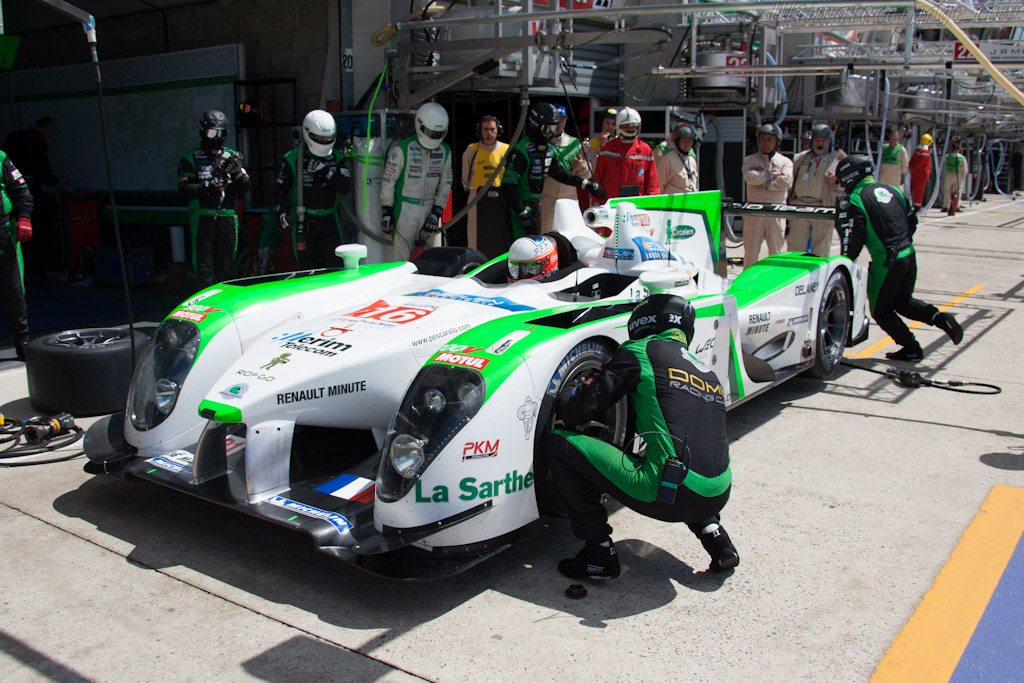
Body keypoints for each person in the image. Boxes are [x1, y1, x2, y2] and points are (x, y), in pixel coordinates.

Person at [541, 294, 738, 580]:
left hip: (668, 494)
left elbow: (575, 412)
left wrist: (578, 389)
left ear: (643, 321)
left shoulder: (639, 351)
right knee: (688, 456)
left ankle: (598, 553)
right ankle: (718, 541)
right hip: (719, 493)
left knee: (558, 443)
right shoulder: (707, 372)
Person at [837, 154, 964, 362]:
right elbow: (912, 221)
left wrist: (844, 263)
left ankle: (911, 347)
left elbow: (854, 240)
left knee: (881, 311)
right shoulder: (892, 189)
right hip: (908, 254)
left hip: (886, 261)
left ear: (850, 176)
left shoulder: (857, 198)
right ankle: (940, 318)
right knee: (904, 302)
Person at [501, 102, 606, 239]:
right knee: (522, 249)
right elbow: (508, 186)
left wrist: (587, 184)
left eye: (555, 127)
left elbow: (560, 173)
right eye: (548, 128)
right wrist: (522, 212)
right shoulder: (521, 151)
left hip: (536, 207)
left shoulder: (548, 149)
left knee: (539, 246)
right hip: (519, 212)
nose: (552, 132)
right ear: (536, 126)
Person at [178, 109, 250, 288]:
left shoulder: (231, 156)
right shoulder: (191, 158)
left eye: (221, 133)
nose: (216, 138)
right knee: (203, 267)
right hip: (203, 218)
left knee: (226, 268)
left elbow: (246, 187)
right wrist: (207, 186)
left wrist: (235, 173)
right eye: (212, 132)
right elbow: (184, 189)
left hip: (227, 219)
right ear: (203, 131)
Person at [273, 109, 352, 269]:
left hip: (329, 219)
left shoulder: (337, 158)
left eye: (328, 139)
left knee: (334, 267)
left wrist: (326, 172)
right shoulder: (293, 158)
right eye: (320, 139)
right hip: (304, 220)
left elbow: (346, 187)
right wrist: (282, 212)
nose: (324, 142)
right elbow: (279, 188)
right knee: (307, 269)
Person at [380, 102, 454, 261]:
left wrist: (437, 211)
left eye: (438, 133)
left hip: (430, 207)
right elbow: (388, 181)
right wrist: (387, 210)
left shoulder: (445, 151)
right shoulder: (402, 149)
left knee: (434, 259)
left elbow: (446, 183)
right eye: (430, 132)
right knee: (402, 261)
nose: (434, 137)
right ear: (419, 125)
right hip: (405, 208)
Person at [787, 123, 846, 257]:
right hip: (800, 205)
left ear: (829, 141)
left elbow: (849, 183)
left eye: (823, 141)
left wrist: (837, 180)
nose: (820, 144)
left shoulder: (839, 158)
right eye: (817, 140)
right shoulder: (800, 158)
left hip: (823, 206)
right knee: (795, 247)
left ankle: (819, 276)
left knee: (821, 248)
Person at [741, 123, 794, 268]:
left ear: (777, 141)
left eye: (769, 139)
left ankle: (775, 281)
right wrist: (772, 175)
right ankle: (748, 282)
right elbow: (750, 178)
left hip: (776, 209)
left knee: (776, 250)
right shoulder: (750, 160)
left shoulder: (785, 162)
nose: (765, 143)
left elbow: (787, 181)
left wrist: (765, 182)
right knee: (751, 250)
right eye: (762, 139)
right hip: (755, 209)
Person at [0, 149, 34, 361]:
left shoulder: (1, 158)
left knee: (13, 291)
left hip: (4, 234)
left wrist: (24, 217)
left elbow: (22, 189)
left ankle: (22, 343)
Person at [461, 115, 510, 257]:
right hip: (477, 196)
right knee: (474, 237)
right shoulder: (472, 150)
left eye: (492, 129)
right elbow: (464, 178)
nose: (489, 133)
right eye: (485, 129)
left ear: (498, 130)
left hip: (500, 198)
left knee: (500, 236)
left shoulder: (506, 149)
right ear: (480, 131)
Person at [540, 104, 587, 233]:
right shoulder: (541, 141)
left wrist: (581, 167)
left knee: (571, 231)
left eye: (562, 119)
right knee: (546, 231)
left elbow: (588, 174)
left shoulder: (574, 143)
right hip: (547, 196)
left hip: (569, 196)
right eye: (557, 119)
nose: (559, 123)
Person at [594, 107, 659, 200]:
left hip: (637, 205)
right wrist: (596, 201)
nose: (630, 129)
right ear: (618, 126)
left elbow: (652, 184)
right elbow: (598, 178)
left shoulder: (645, 150)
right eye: (626, 126)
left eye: (633, 126)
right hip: (611, 204)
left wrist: (652, 205)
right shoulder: (606, 149)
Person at [2, 116, 67, 197]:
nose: (51, 135)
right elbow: (41, 166)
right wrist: (54, 180)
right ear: (43, 128)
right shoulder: (38, 142)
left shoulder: (15, 136)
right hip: (29, 184)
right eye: (51, 132)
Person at [656, 123, 699, 195]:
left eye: (690, 141)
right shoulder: (667, 159)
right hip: (672, 204)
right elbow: (659, 187)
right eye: (684, 140)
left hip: (690, 203)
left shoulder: (691, 159)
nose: (687, 144)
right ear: (678, 140)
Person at [908, 133, 933, 210]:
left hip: (916, 174)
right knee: (920, 190)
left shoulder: (917, 149)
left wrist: (911, 169)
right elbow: (921, 163)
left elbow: (912, 161)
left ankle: (916, 204)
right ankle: (917, 206)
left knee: (916, 189)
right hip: (921, 174)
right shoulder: (925, 151)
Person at [942, 142, 968, 214]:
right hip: (957, 175)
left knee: (947, 191)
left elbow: (944, 164)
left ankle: (945, 206)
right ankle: (956, 206)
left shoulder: (947, 156)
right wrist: (963, 177)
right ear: (959, 149)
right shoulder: (961, 158)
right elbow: (965, 169)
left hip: (948, 175)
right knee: (958, 191)